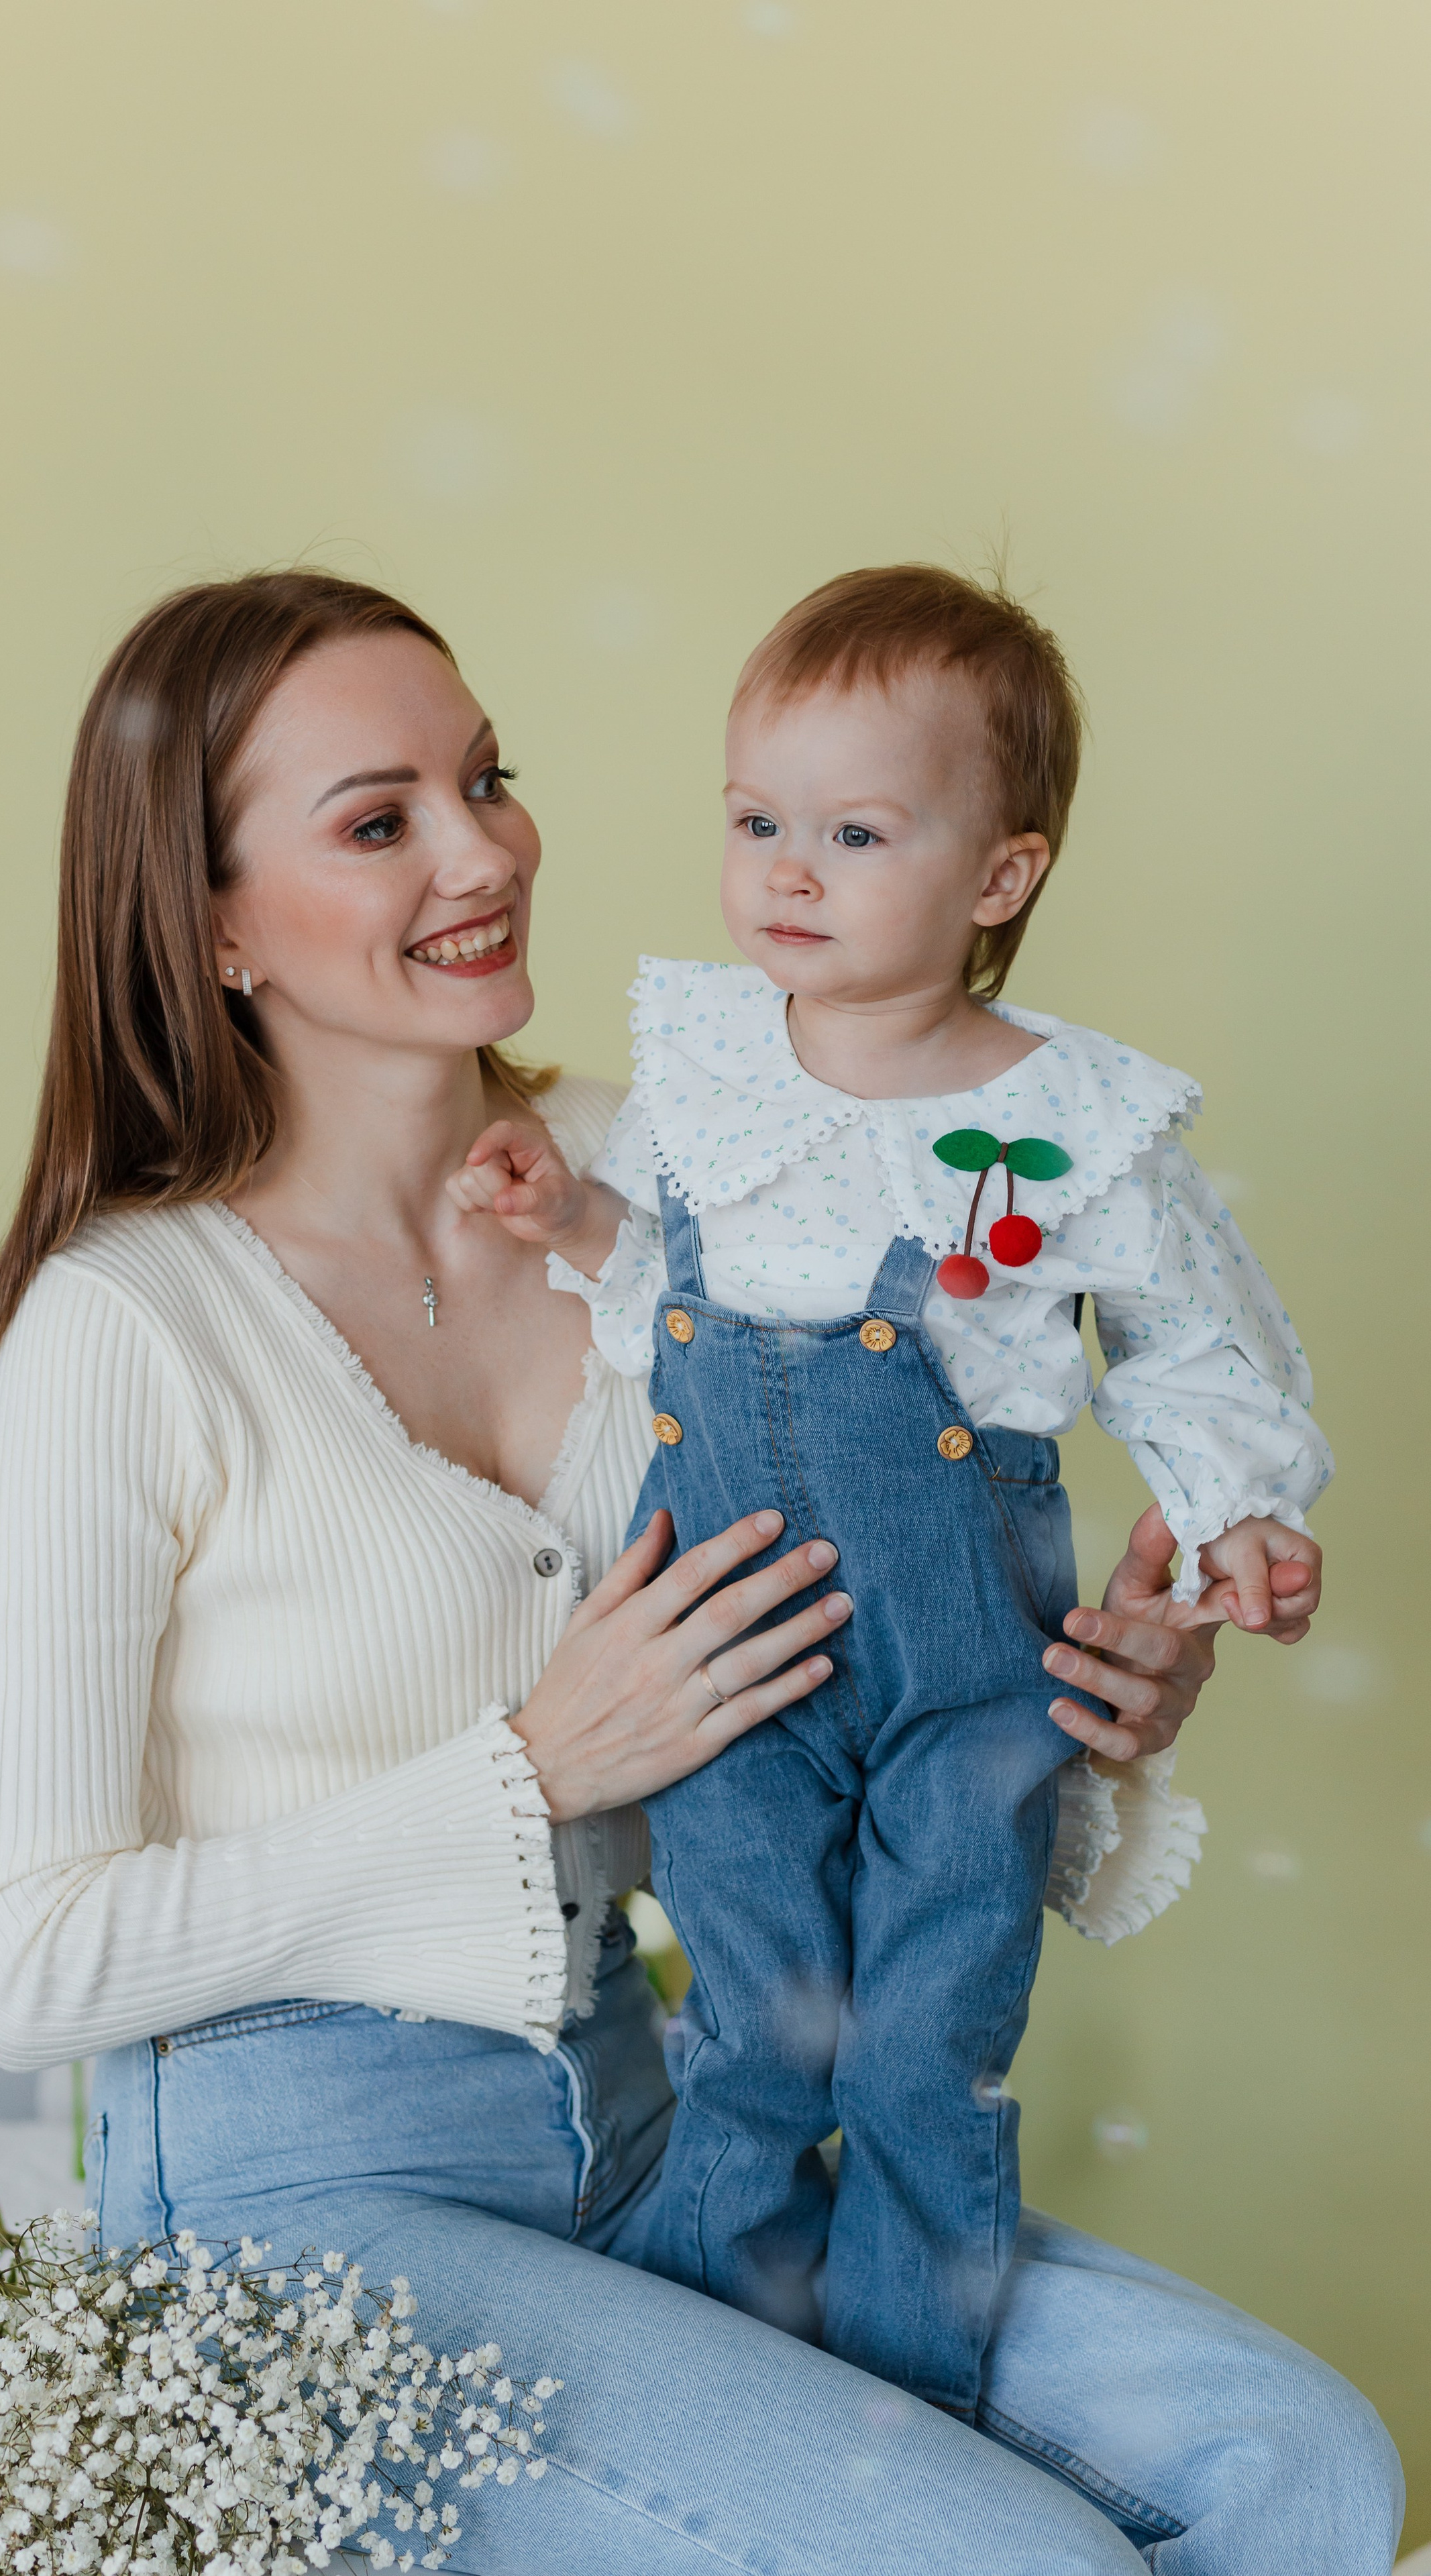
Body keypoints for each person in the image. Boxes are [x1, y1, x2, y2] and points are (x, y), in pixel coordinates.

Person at [0, 569, 1401, 2572]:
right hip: (310, 2215)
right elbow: (26, 1964)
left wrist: (1086, 1684)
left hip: (673, 2128)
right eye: (379, 821)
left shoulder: (701, 1157)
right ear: (212, 925)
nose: (484, 853)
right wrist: (527, 1774)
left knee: (1301, 2465)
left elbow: (873, 1592)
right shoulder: (126, 1330)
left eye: (487, 778)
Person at [450, 565, 1332, 2418]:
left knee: (927, 2054)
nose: (790, 871)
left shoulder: (1071, 1122)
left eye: (855, 833)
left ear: (999, 876)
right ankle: (712, 2400)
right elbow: (669, 1292)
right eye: (756, 821)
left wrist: (1239, 1511)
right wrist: (576, 1218)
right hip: (735, 1662)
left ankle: (902, 2423)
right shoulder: (707, 1068)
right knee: (754, 2037)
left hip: (969, 1670)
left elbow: (1189, 1335)